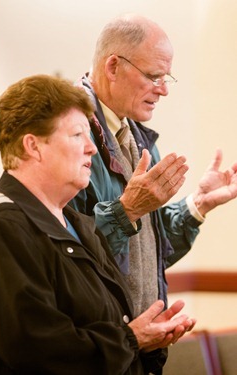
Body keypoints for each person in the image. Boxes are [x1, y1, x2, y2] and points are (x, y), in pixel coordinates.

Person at [0, 74, 195, 375]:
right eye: (76, 136)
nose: (92, 149)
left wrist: (146, 340)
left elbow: (103, 322)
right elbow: (39, 351)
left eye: (90, 135)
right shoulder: (5, 228)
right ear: (33, 146)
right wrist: (132, 339)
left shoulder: (77, 223)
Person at [71, 14, 237, 318]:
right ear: (113, 66)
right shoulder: (69, 133)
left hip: (137, 349)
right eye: (154, 76)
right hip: (95, 347)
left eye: (166, 78)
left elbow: (146, 252)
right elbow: (64, 258)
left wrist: (198, 205)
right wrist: (126, 211)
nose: (163, 90)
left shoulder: (137, 137)